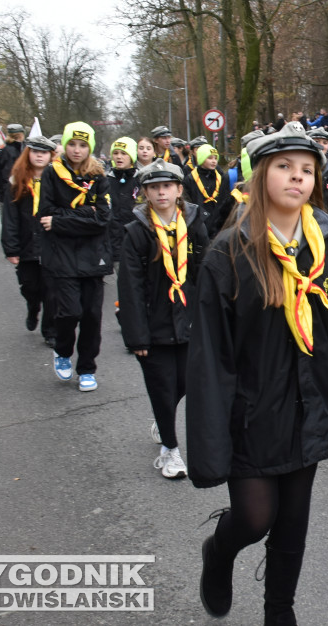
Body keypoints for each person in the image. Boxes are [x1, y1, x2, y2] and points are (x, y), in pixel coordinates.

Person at [188, 124, 328, 623]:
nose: (297, 177)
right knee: (254, 517)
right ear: (261, 175)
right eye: (285, 167)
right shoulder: (228, 252)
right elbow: (211, 359)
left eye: (307, 169)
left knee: (292, 523)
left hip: (308, 408)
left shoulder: (325, 245)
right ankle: (219, 552)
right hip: (251, 413)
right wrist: (209, 448)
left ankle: (279, 610)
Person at [118, 160, 209, 479]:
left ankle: (163, 417)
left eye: (167, 186)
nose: (161, 192)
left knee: (185, 383)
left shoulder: (194, 223)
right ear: (145, 193)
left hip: (189, 322)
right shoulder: (136, 232)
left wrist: (211, 320)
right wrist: (136, 336)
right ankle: (170, 449)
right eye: (154, 187)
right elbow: (130, 286)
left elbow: (205, 272)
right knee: (162, 387)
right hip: (153, 325)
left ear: (179, 190)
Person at [38, 122, 112, 393]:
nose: (77, 150)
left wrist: (61, 220)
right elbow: (45, 214)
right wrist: (83, 214)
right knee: (70, 311)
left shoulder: (99, 176)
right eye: (72, 144)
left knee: (92, 316)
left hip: (93, 255)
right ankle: (62, 350)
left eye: (82, 145)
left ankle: (87, 368)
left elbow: (102, 218)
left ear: (89, 147)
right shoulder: (51, 173)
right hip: (62, 255)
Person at [2, 135, 57, 345]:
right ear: (28, 154)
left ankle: (50, 331)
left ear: (51, 156)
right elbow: (10, 217)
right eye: (35, 152)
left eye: (44, 152)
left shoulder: (58, 180)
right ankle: (33, 307)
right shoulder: (17, 181)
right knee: (30, 287)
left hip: (51, 245)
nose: (39, 156)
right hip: (27, 244)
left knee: (52, 291)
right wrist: (11, 248)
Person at [183, 144, 230, 238]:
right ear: (201, 159)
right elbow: (187, 201)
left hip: (217, 221)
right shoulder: (190, 179)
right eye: (210, 158)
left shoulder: (221, 177)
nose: (214, 161)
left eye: (215, 158)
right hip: (199, 222)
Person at [106, 137, 140, 259]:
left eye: (124, 153)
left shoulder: (141, 180)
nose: (119, 157)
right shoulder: (106, 181)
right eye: (115, 153)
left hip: (136, 241)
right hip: (113, 242)